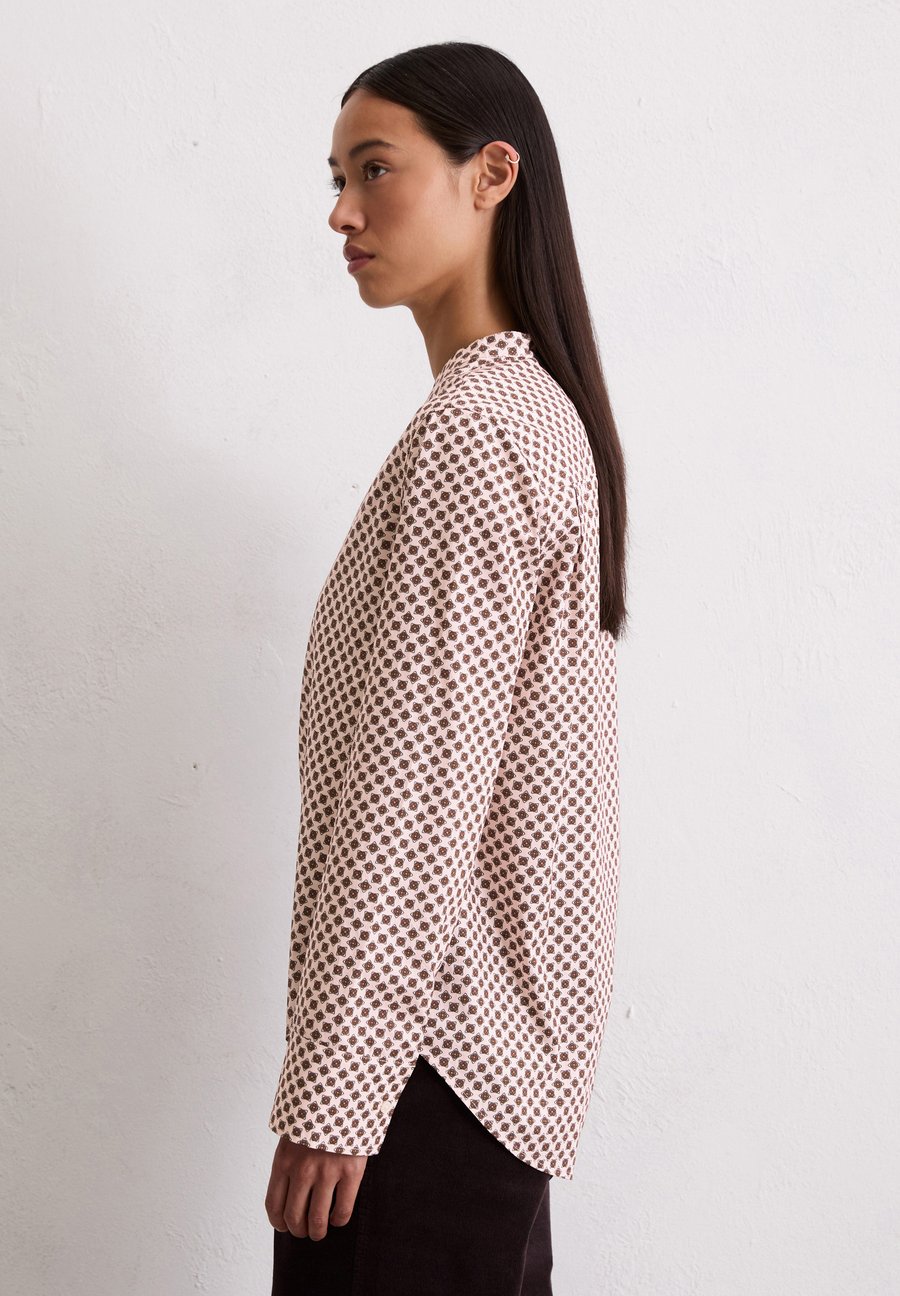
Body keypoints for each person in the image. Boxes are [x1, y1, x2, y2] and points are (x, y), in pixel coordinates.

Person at [264, 40, 628, 1296]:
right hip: (481, 1072)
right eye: (337, 177)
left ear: (492, 174)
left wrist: (337, 1087)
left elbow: (417, 796)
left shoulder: (476, 433)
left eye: (376, 169)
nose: (342, 212)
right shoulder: (537, 417)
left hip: (424, 1072)